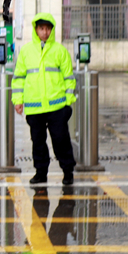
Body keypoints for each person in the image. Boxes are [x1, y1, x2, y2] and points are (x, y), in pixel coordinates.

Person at [11, 13, 76, 185]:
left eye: (48, 28)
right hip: (34, 107)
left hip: (57, 107)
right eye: (41, 28)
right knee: (38, 143)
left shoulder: (59, 51)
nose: (45, 32)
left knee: (61, 141)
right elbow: (18, 78)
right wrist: (18, 100)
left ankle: (68, 171)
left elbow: (69, 78)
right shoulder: (26, 51)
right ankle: (41, 173)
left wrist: (68, 103)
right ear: (36, 29)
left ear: (52, 30)